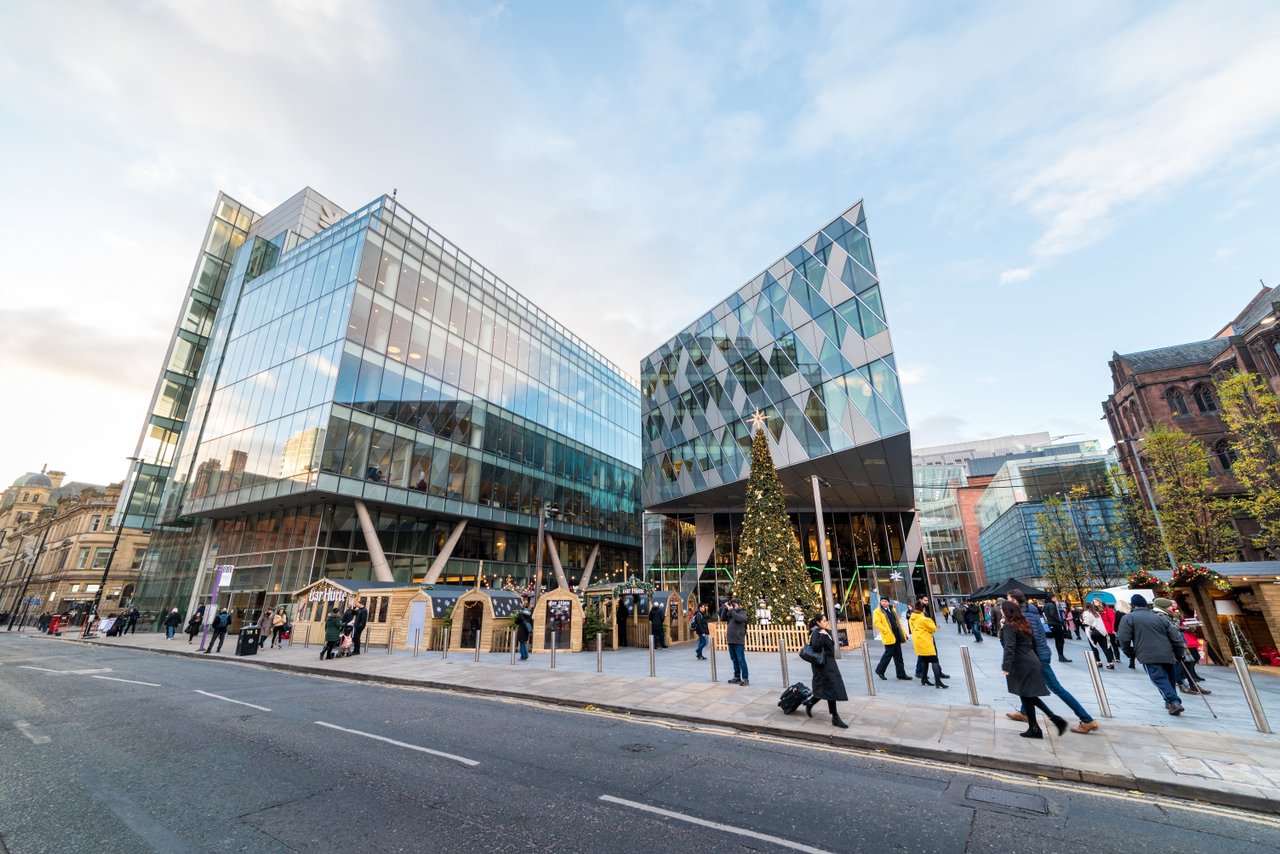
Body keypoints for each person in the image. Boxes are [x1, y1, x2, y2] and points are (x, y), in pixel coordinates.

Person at [1005, 590, 1098, 734]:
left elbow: (1030, 638)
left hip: (1035, 657)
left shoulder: (1024, 615)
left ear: (1015, 601)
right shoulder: (1031, 611)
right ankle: (1024, 712)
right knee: (1026, 686)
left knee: (1056, 688)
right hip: (1039, 654)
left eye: (1009, 599)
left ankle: (1087, 719)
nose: (1007, 601)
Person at [999, 599, 1067, 739]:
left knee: (1026, 695)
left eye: (1001, 609)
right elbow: (1033, 642)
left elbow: (1009, 647)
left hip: (1020, 662)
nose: (1000, 610)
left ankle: (1043, 724)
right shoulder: (1024, 623)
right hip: (1031, 659)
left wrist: (1006, 666)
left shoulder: (1008, 626)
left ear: (1006, 612)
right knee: (1028, 695)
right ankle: (1042, 724)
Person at [1117, 594, 1188, 716]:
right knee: (1169, 678)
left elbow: (1123, 638)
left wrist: (1129, 652)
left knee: (1159, 679)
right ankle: (1170, 702)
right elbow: (1176, 637)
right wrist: (1179, 653)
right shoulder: (1160, 618)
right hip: (1167, 653)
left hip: (1147, 653)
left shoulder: (1129, 618)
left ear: (1133, 605)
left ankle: (1174, 701)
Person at [1153, 598, 1211, 696]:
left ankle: (1193, 684)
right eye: (1170, 605)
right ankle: (1181, 684)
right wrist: (1176, 618)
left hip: (1179, 641)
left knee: (1189, 662)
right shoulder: (1160, 615)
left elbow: (1176, 627)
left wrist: (1186, 627)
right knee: (1176, 664)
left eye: (1174, 604)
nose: (1173, 606)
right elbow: (1172, 627)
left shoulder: (1171, 614)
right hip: (1171, 643)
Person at [801, 614, 849, 728]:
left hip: (829, 664)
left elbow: (831, 644)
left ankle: (810, 702)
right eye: (824, 620)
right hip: (823, 665)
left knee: (825, 688)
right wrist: (823, 636)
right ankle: (835, 717)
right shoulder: (817, 632)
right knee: (831, 688)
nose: (826, 622)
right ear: (818, 622)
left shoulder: (824, 631)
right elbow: (815, 647)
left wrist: (827, 633)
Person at [909, 600, 947, 688]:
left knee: (924, 660)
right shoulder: (924, 619)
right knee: (934, 660)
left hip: (918, 642)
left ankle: (924, 679)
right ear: (923, 609)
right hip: (926, 642)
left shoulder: (912, 617)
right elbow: (934, 629)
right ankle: (938, 681)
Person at [872, 597, 911, 680]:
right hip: (889, 635)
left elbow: (898, 622)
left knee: (898, 656)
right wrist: (885, 630)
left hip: (896, 634)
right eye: (882, 601)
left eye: (885, 601)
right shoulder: (877, 611)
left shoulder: (892, 609)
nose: (883, 603)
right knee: (888, 654)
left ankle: (901, 674)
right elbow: (876, 622)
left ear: (889, 602)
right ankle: (880, 670)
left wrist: (904, 634)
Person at [723, 598, 749, 686]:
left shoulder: (742, 613)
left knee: (741, 660)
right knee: (734, 659)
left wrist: (731, 610)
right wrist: (725, 607)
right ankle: (737, 677)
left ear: (739, 604)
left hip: (738, 641)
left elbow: (739, 619)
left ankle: (745, 678)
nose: (733, 606)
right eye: (732, 604)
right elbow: (722, 618)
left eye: (735, 604)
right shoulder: (731, 614)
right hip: (731, 640)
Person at [1082, 603, 1114, 669]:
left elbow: (1085, 623)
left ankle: (1098, 662)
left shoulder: (1086, 613)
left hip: (1092, 633)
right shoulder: (1096, 613)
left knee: (1094, 647)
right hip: (1102, 632)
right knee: (1105, 648)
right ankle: (1110, 662)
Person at [1043, 593, 1070, 662]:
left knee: (1058, 640)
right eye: (1055, 598)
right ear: (1052, 598)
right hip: (1055, 624)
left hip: (1051, 623)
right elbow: (1052, 614)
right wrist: (1060, 621)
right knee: (1060, 640)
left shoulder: (1046, 605)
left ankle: (1060, 655)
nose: (1055, 599)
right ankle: (1061, 655)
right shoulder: (1051, 605)